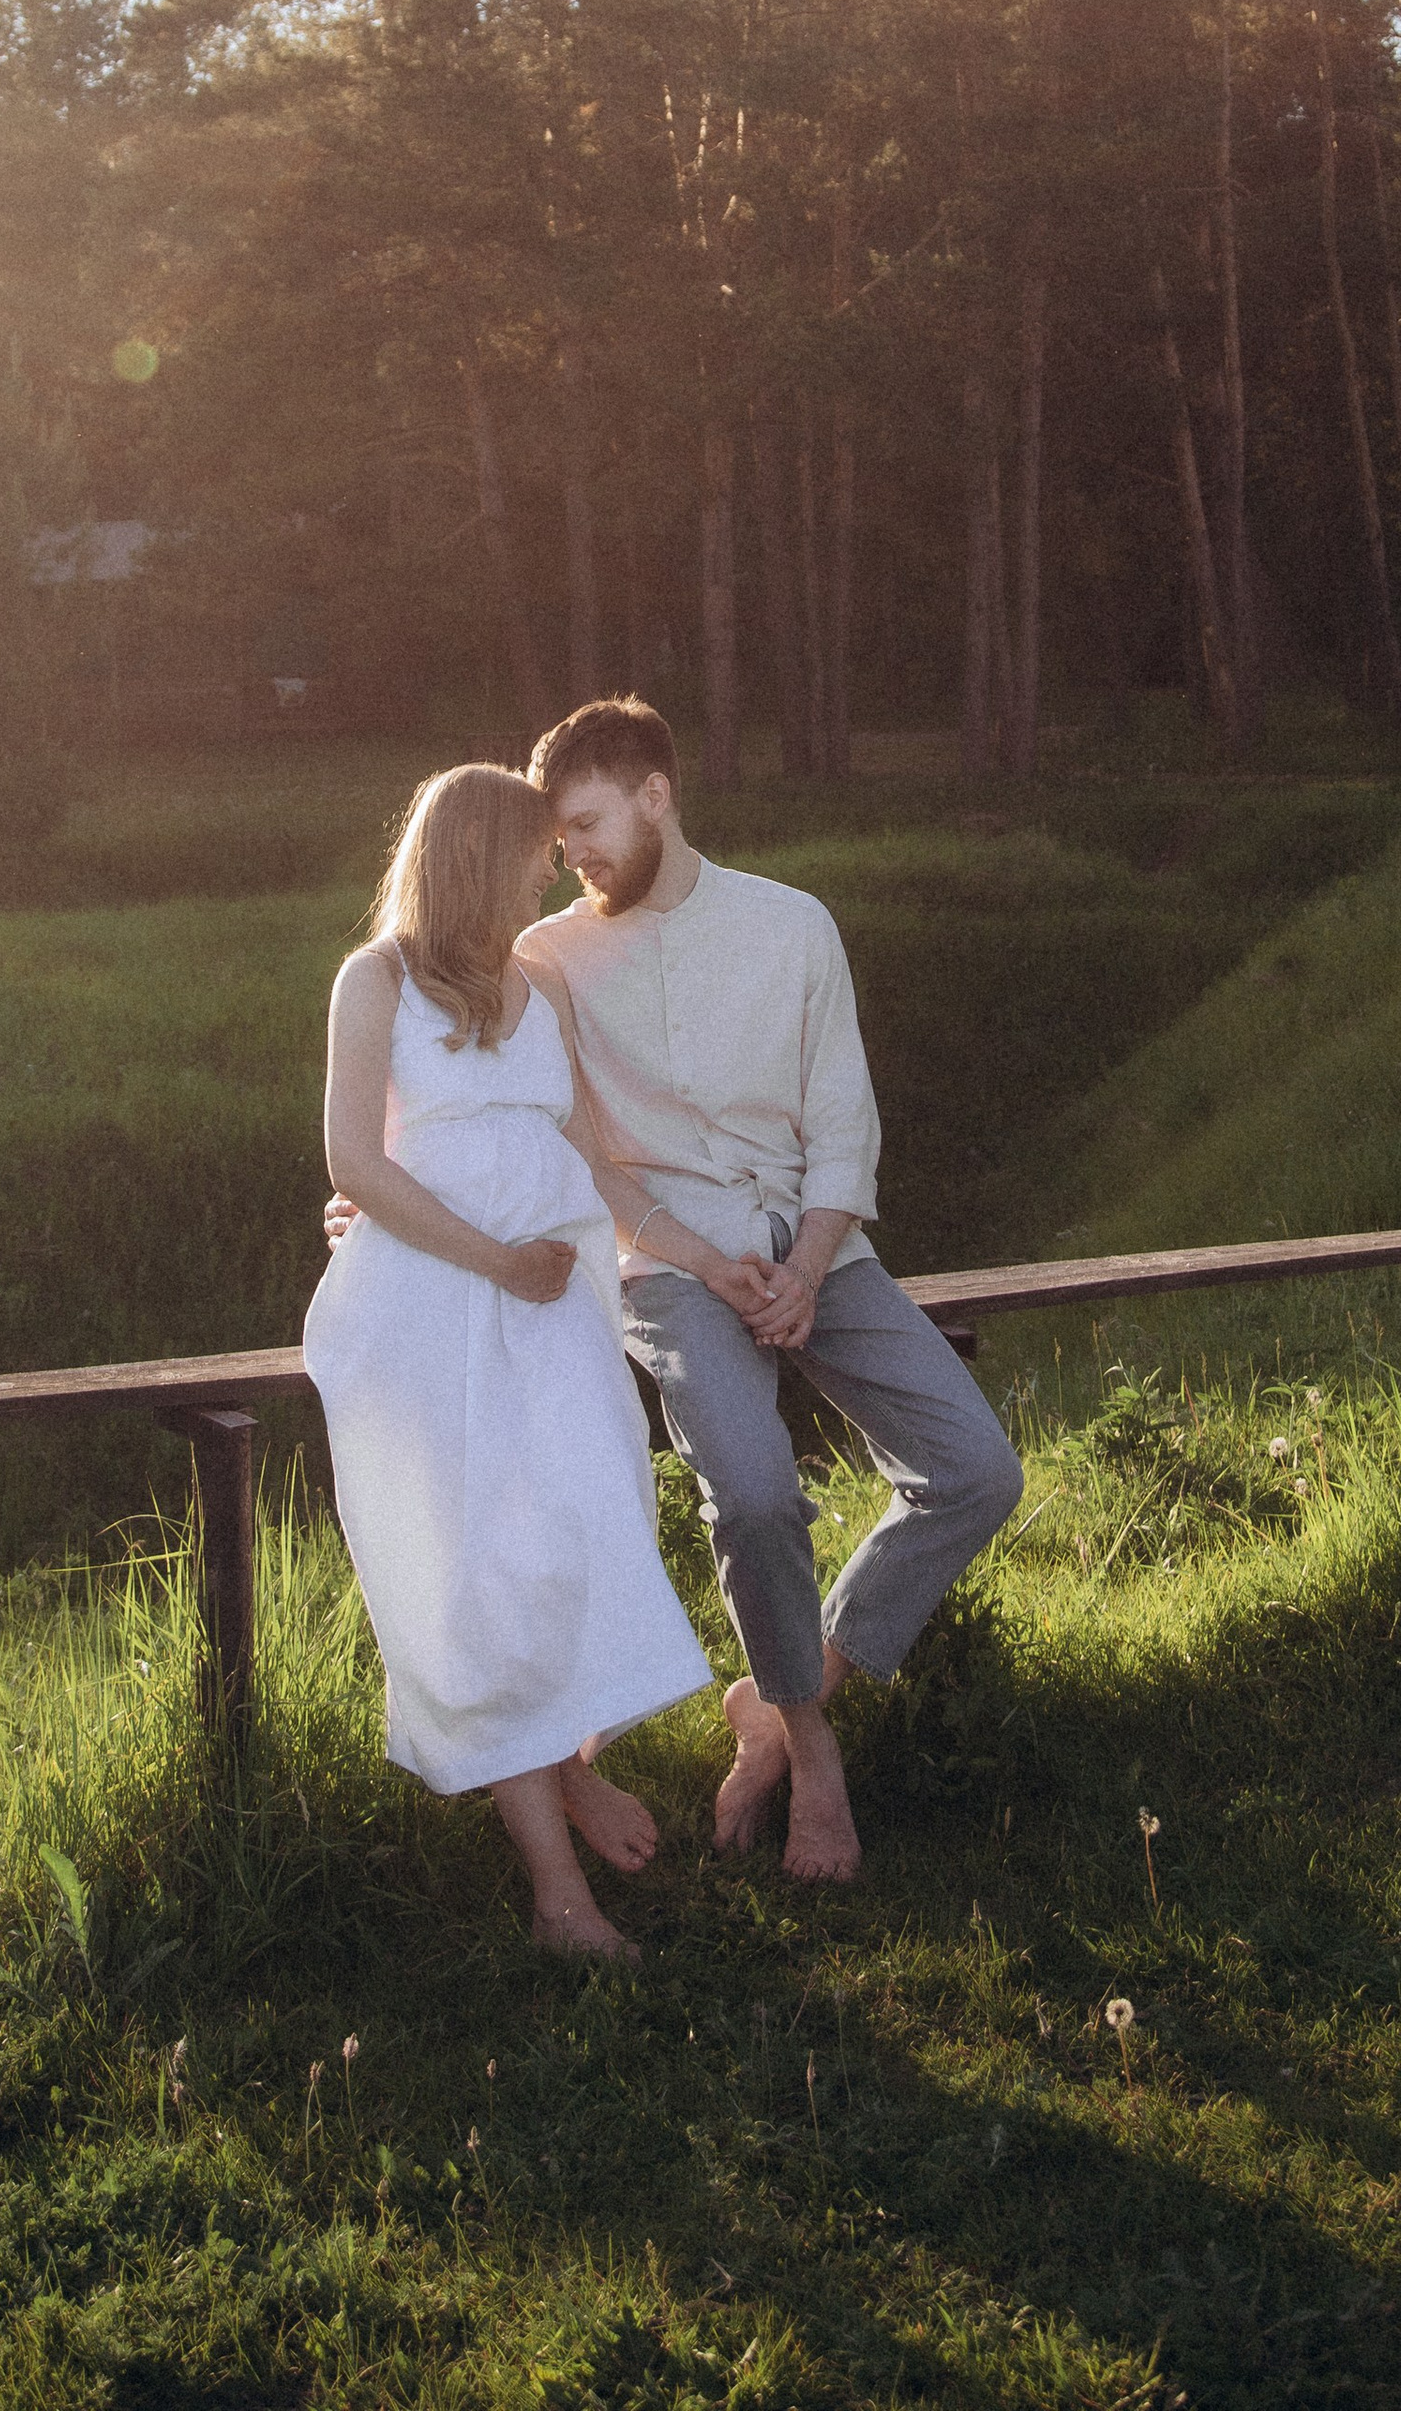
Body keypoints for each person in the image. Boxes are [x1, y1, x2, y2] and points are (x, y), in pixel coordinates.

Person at [522, 696, 1024, 1885]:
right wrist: (701, 1260)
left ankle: (782, 1690)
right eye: (559, 843)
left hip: (818, 1252)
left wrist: (805, 1266)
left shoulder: (793, 925)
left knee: (975, 1470)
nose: (574, 856)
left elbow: (844, 1118)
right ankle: (811, 1747)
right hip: (669, 1263)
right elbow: (574, 1149)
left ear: (655, 794)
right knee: (752, 1499)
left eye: (587, 823)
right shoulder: (546, 958)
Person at [300, 761, 726, 1956]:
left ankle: (569, 1769)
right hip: (433, 1310)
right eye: (532, 849)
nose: (549, 865)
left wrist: (683, 1254)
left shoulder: (533, 982)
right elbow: (356, 1164)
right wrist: (490, 1257)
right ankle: (559, 1901)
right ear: (478, 853)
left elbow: (584, 1152)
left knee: (584, 1538)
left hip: (554, 1309)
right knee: (475, 1578)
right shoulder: (373, 980)